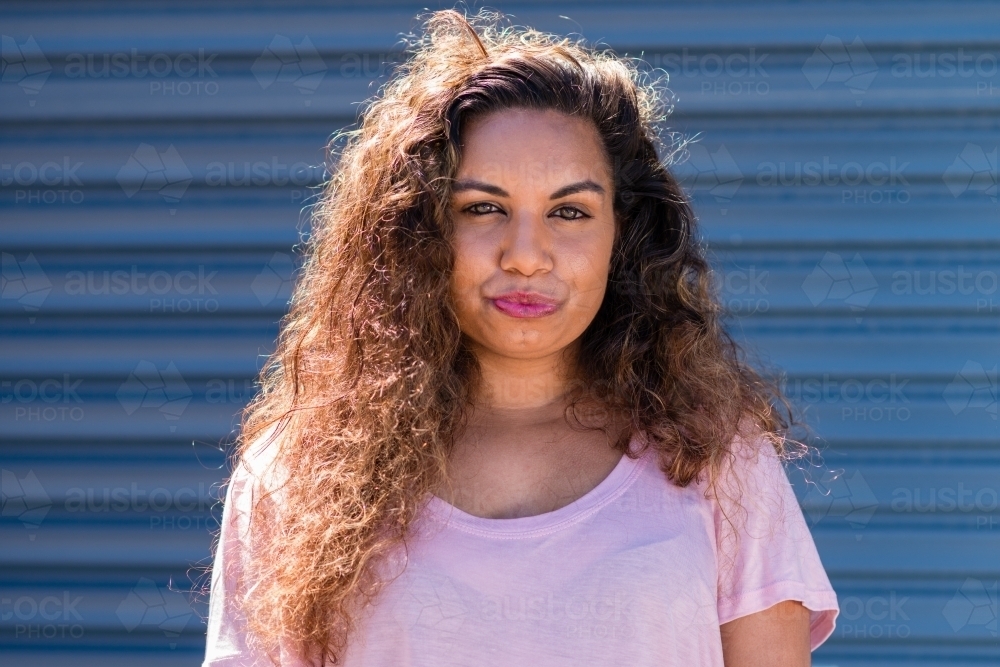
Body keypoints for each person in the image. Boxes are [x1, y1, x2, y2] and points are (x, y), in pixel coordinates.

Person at [202, 9, 839, 667]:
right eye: (484, 207)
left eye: (569, 211)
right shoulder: (298, 472)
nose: (527, 254)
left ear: (622, 235)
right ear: (419, 231)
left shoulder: (718, 457)